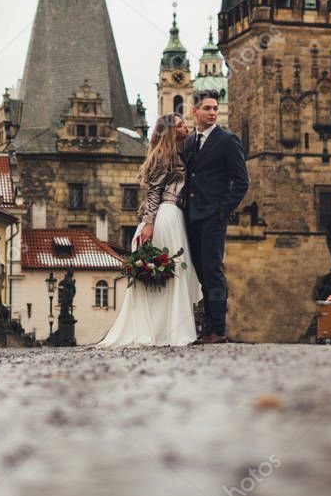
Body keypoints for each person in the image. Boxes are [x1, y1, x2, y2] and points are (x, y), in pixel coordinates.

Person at [94, 114, 202, 347]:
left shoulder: (179, 152)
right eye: (181, 124)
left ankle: (168, 329)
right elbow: (154, 194)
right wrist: (150, 223)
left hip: (176, 215)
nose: (186, 127)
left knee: (175, 272)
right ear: (171, 131)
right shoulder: (164, 156)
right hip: (167, 216)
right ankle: (167, 331)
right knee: (172, 273)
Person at [182, 89, 249, 345]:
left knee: (213, 271)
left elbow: (241, 182)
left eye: (215, 108)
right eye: (207, 108)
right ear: (195, 111)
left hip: (213, 216)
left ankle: (217, 329)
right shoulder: (190, 141)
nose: (212, 112)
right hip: (191, 216)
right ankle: (206, 326)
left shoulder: (227, 140)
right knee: (200, 272)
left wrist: (223, 210)